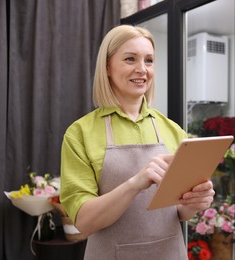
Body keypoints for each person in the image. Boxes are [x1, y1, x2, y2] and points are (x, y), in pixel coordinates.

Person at [60, 24, 215, 259]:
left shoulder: (173, 130)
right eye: (130, 59)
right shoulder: (80, 133)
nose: (142, 69)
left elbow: (179, 211)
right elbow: (84, 221)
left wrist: (195, 201)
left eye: (149, 60)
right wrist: (136, 183)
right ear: (107, 67)